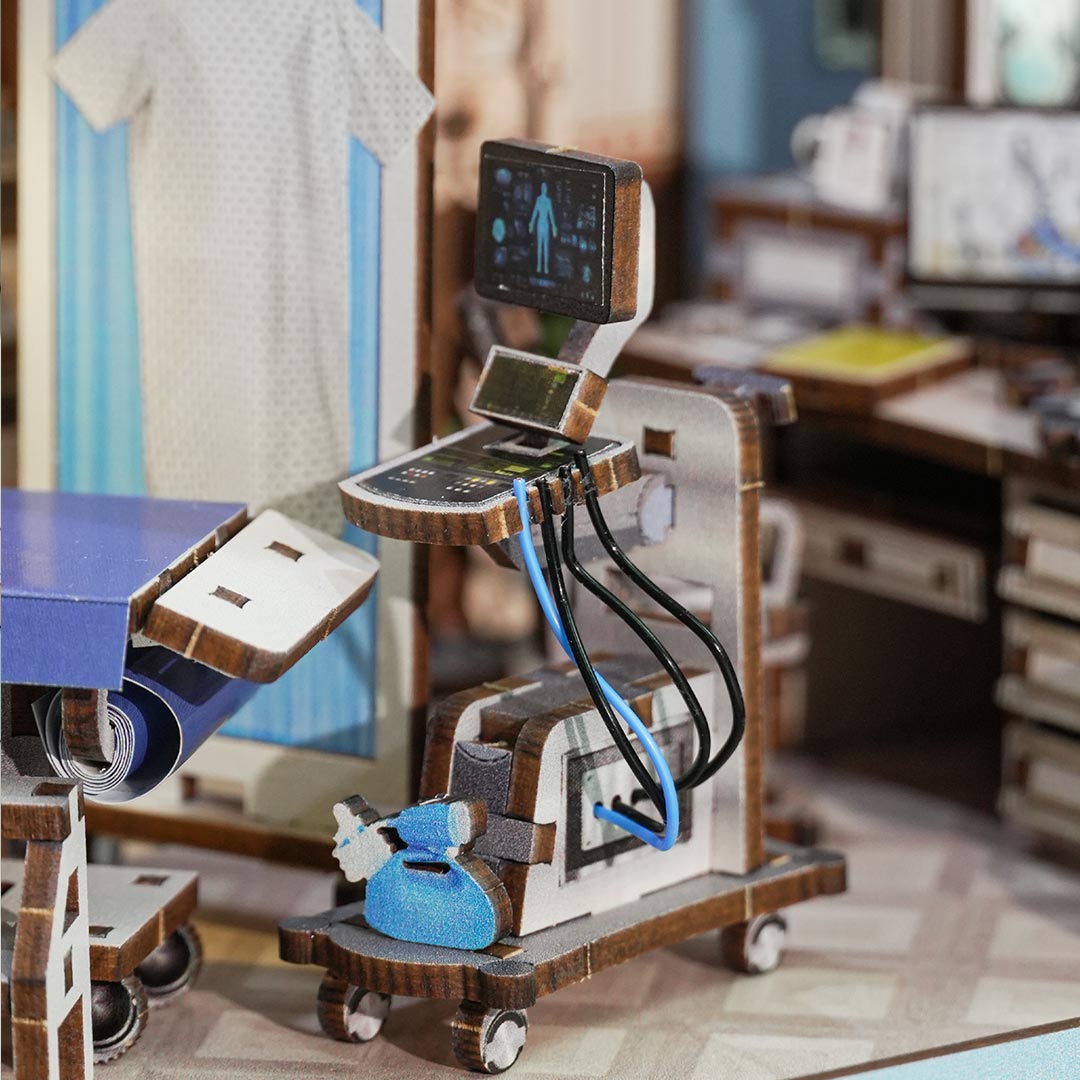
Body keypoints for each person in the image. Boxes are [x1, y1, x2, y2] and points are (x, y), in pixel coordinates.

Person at [528, 181, 557, 274]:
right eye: (542, 187)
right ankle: (539, 266)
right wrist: (531, 223)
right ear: (541, 188)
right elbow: (535, 212)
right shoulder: (538, 199)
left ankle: (546, 267)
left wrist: (554, 227)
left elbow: (551, 214)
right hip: (540, 223)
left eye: (545, 187)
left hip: (546, 224)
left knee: (546, 246)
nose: (543, 189)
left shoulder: (548, 201)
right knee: (540, 246)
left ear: (546, 189)